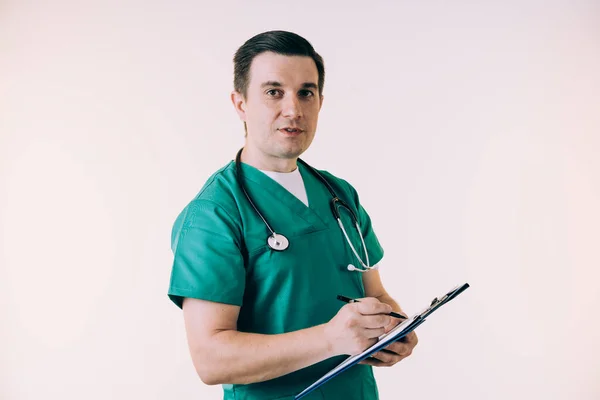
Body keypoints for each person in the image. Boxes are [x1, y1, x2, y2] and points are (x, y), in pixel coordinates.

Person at [167, 30, 418, 400]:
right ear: (240, 104)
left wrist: (393, 329)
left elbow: (375, 292)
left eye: (306, 92)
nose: (294, 109)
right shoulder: (213, 214)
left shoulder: (339, 194)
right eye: (273, 92)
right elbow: (211, 359)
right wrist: (331, 339)